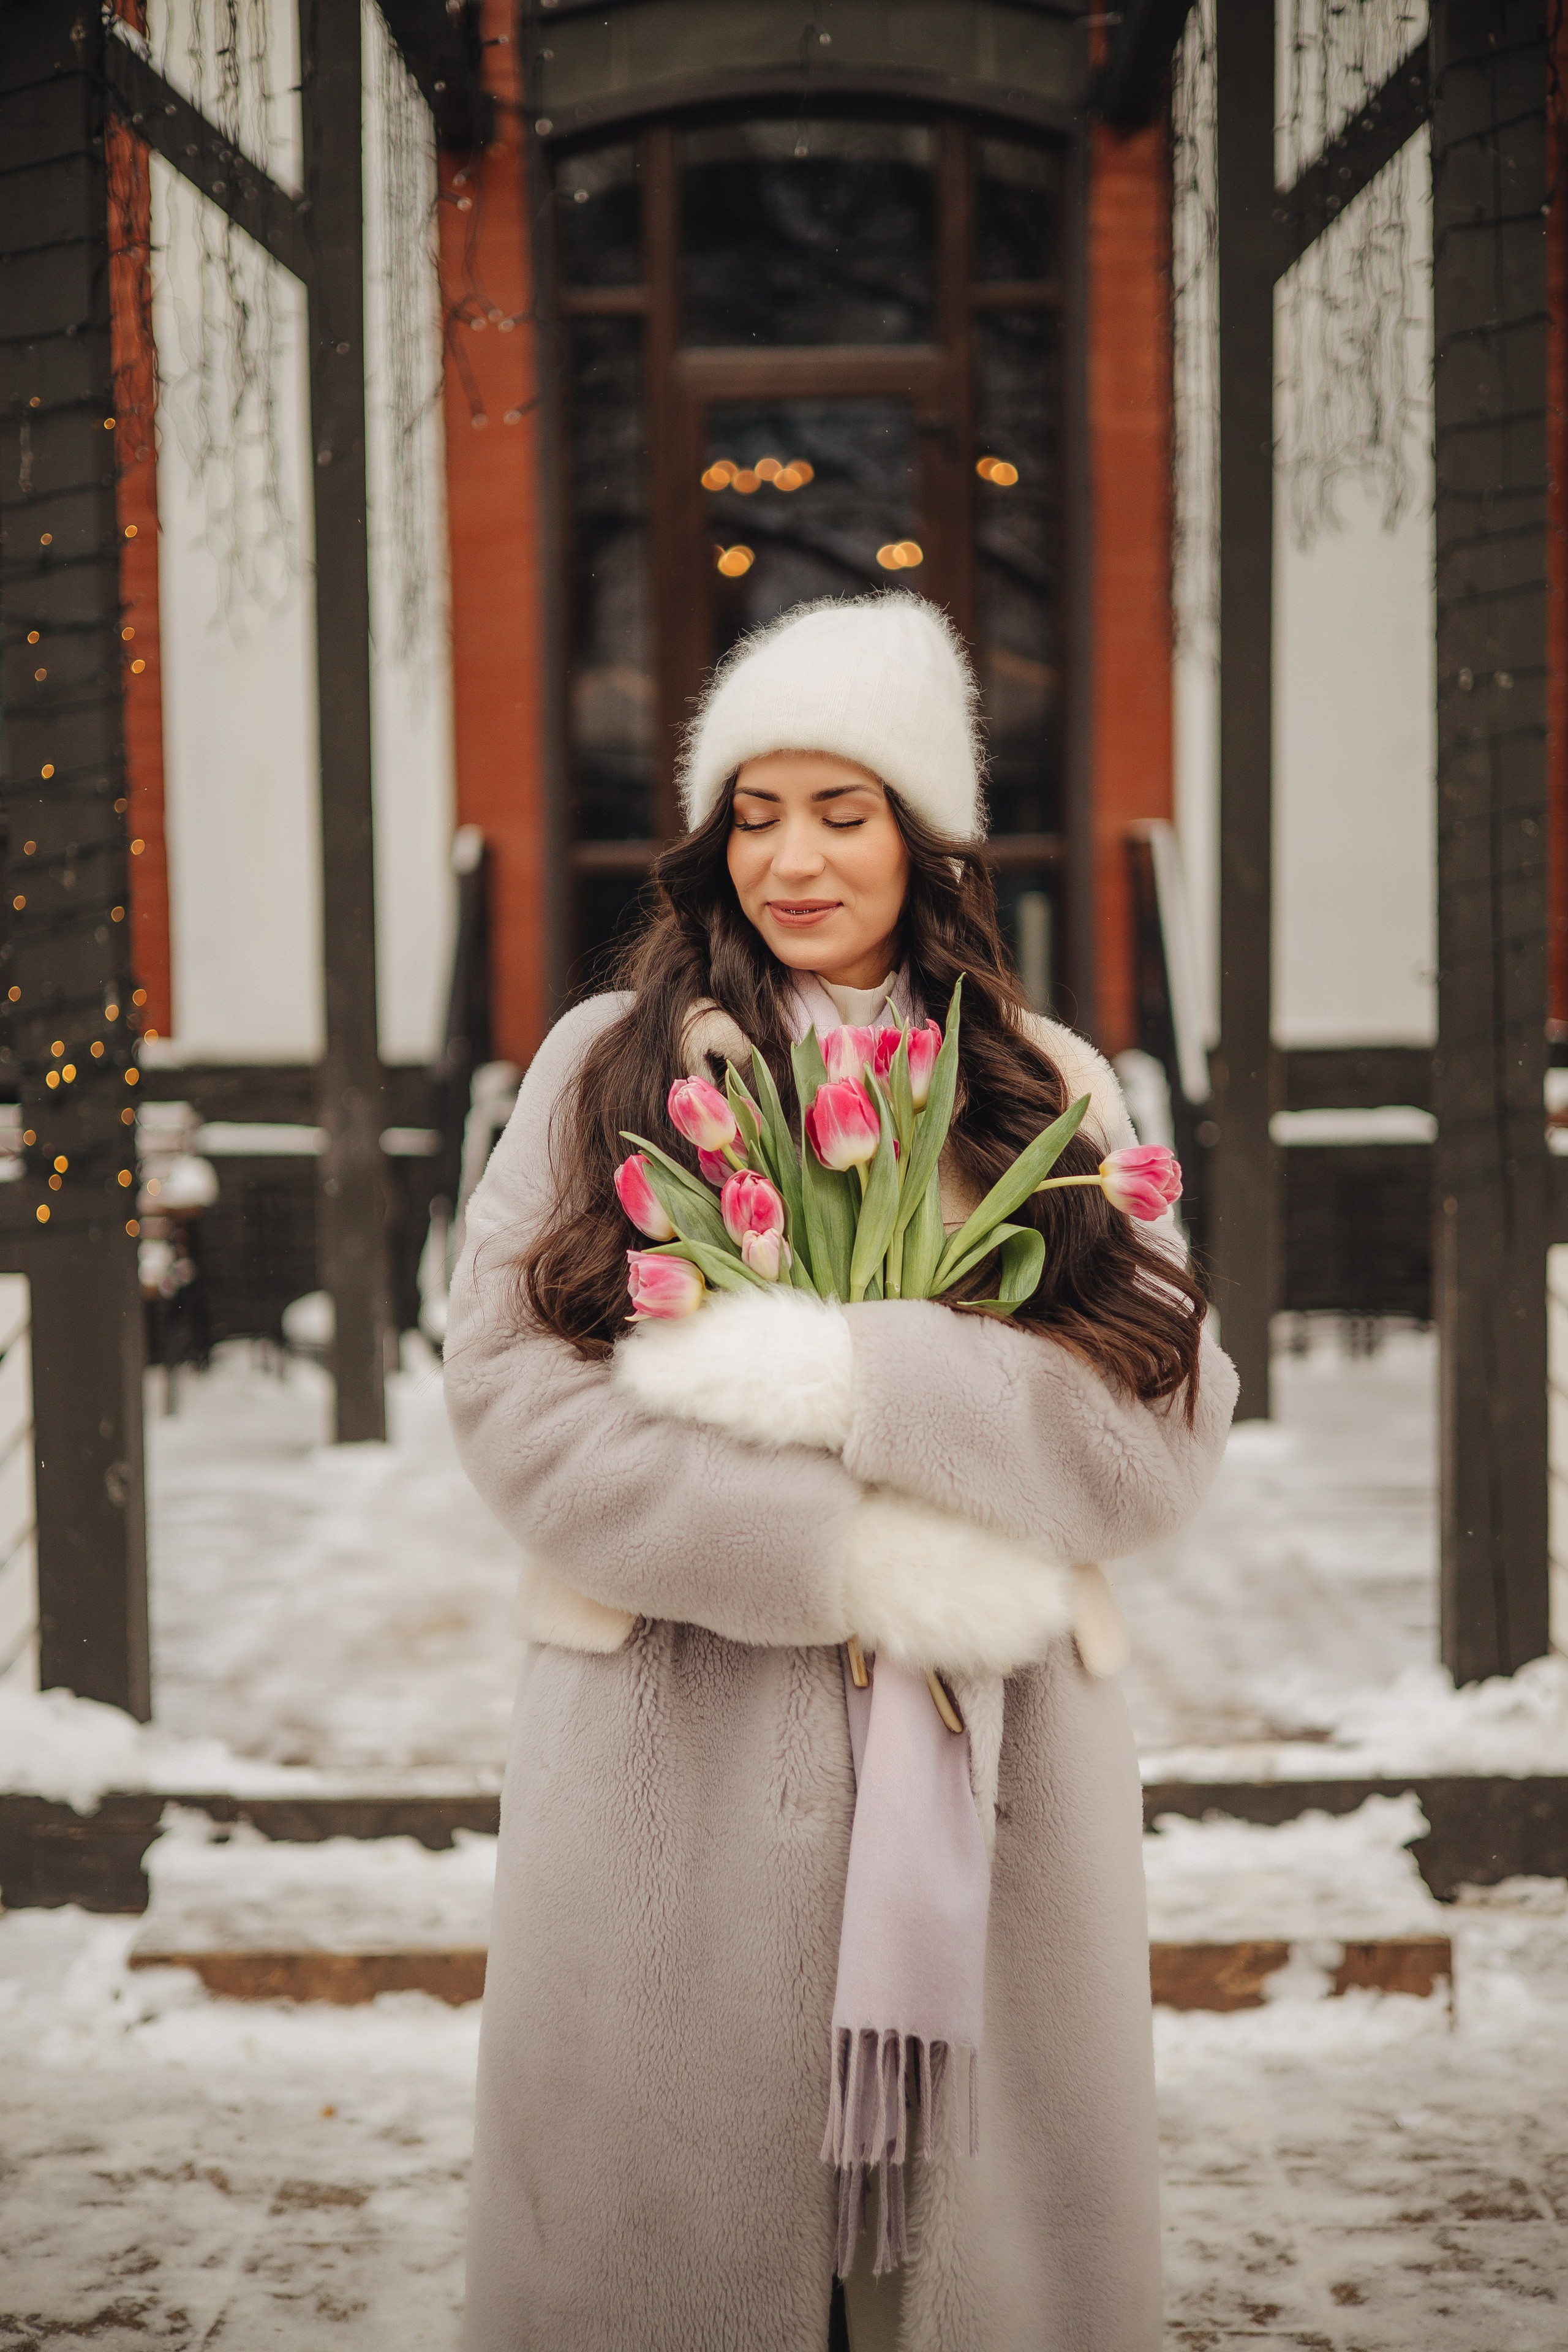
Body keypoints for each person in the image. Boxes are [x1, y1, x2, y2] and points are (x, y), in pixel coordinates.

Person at [445, 593, 1237, 2352]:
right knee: (676, 2251)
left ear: (927, 839)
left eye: (843, 811)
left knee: (955, 2278)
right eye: (754, 812)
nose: (792, 859)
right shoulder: (607, 1069)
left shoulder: (1043, 1093)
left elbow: (1161, 1430)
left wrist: (853, 1375)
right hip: (675, 1760)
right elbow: (516, 1399)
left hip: (999, 1756)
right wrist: (854, 1562)